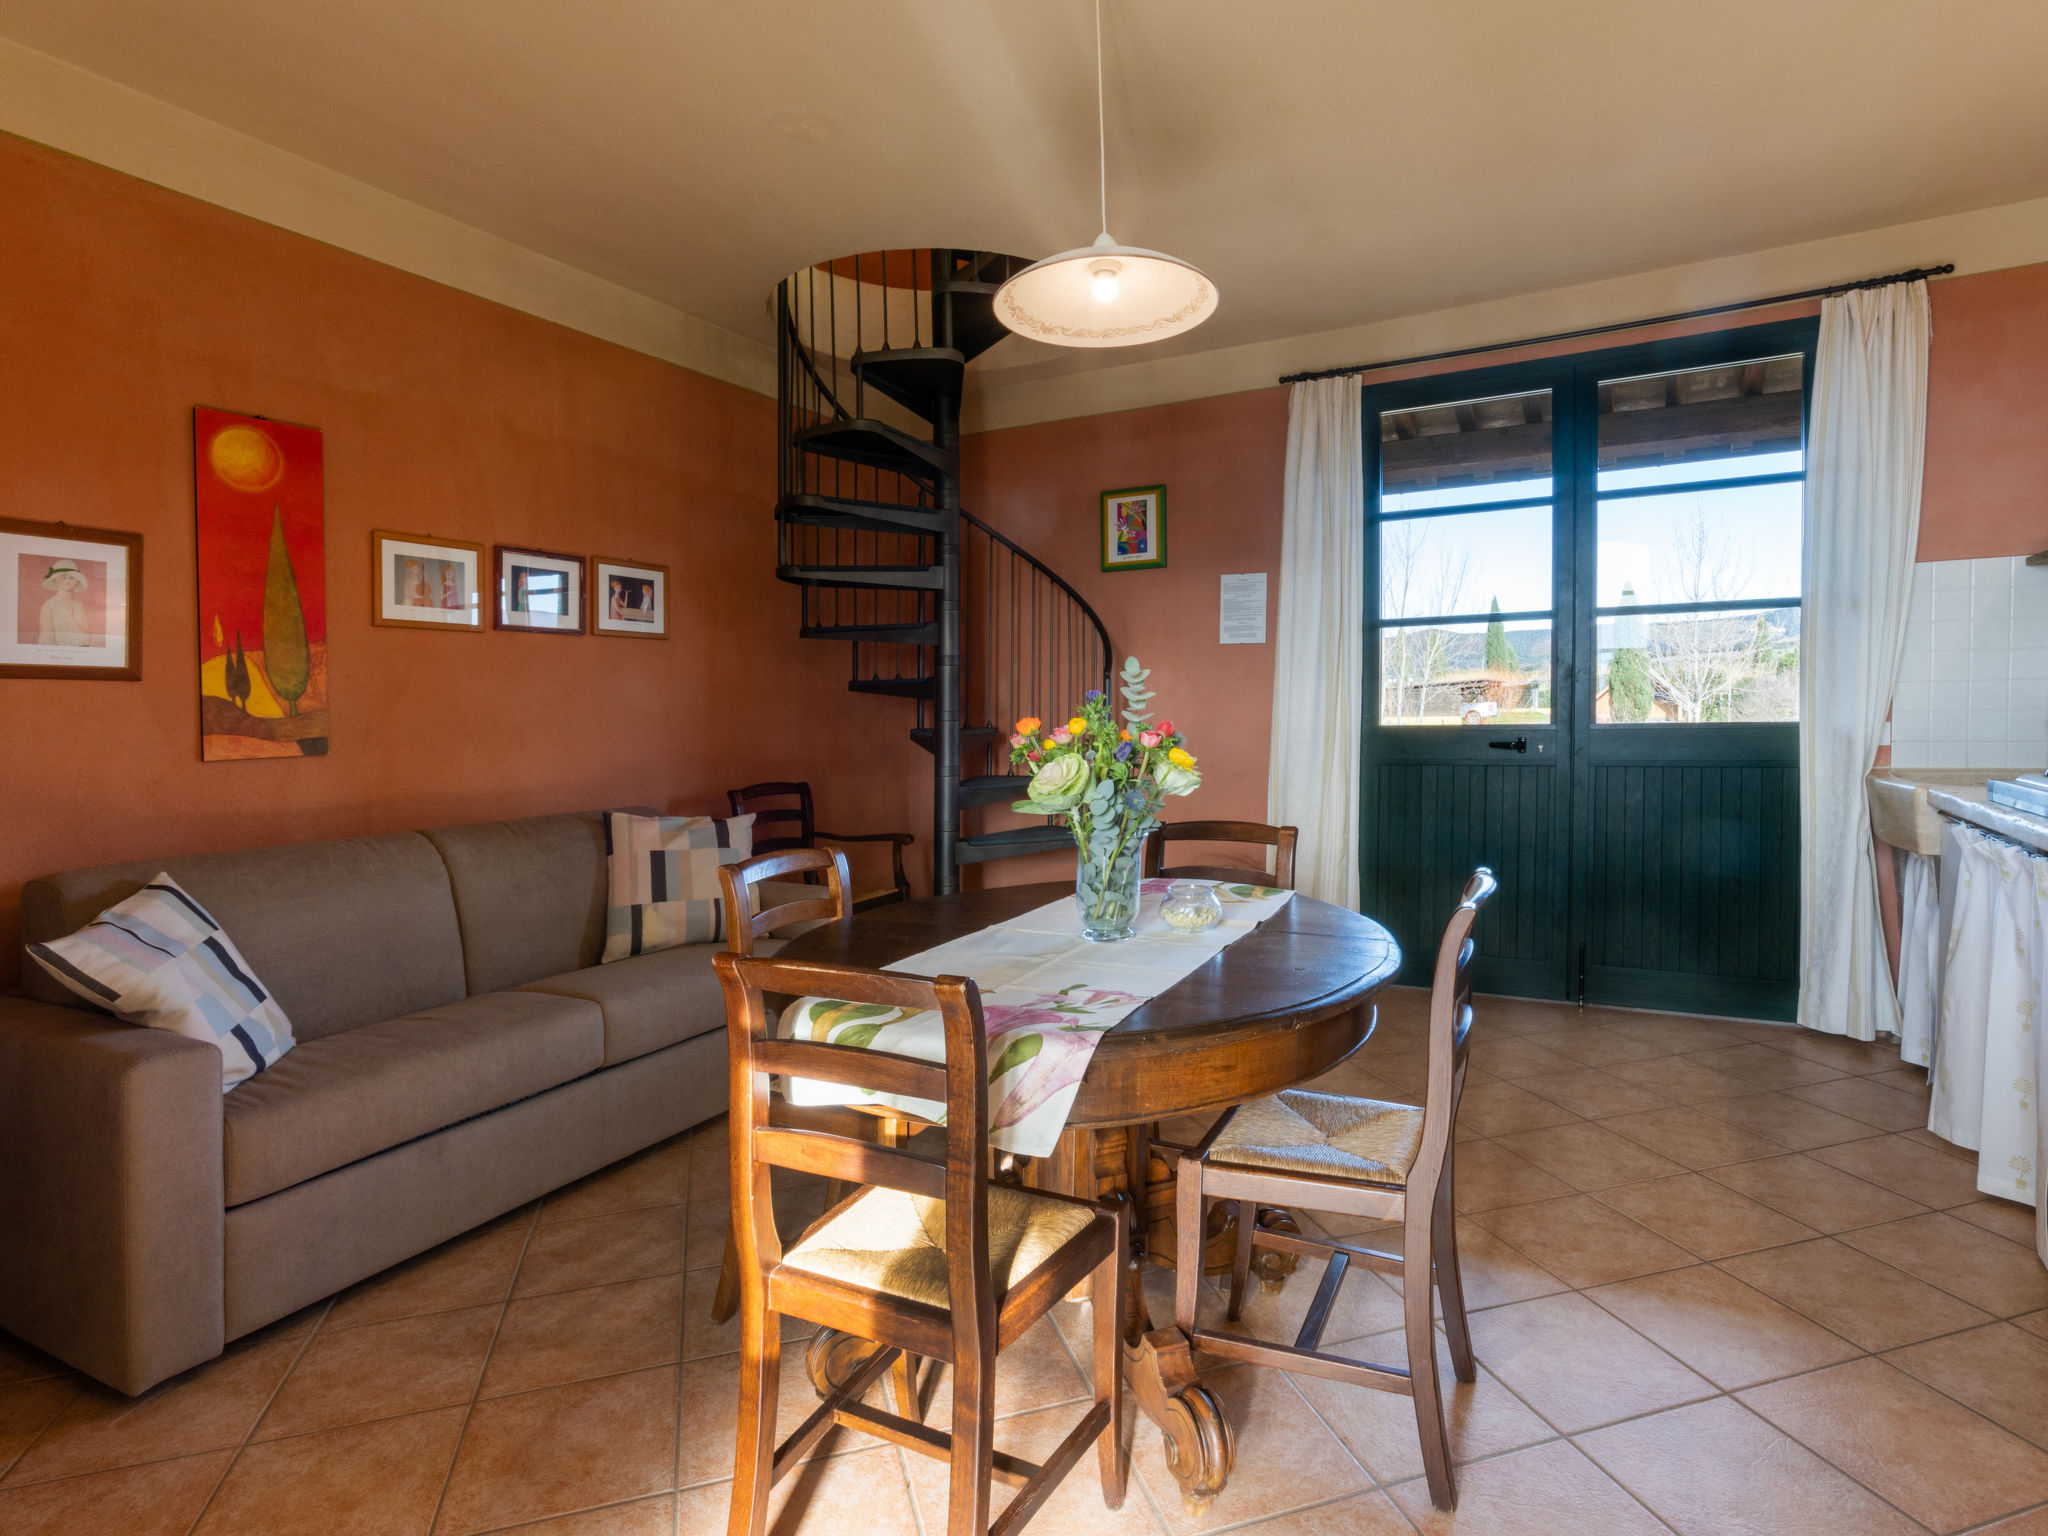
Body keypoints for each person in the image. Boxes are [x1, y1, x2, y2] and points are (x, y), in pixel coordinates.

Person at [37, 560, 93, 647]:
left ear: (77, 581)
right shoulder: (49, 606)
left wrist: (71, 618)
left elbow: (86, 641)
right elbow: (47, 641)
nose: (68, 581)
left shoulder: (79, 607)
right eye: (64, 577)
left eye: (72, 578)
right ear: (55, 579)